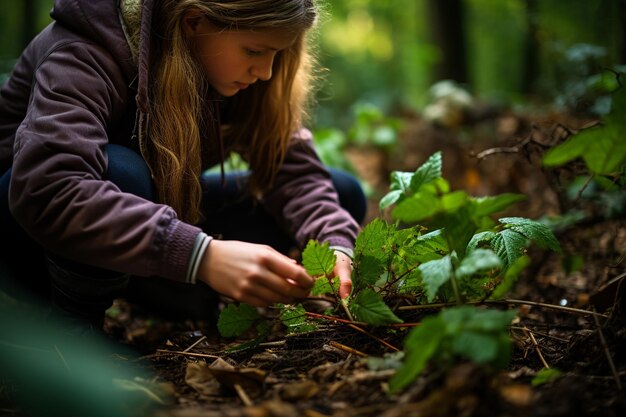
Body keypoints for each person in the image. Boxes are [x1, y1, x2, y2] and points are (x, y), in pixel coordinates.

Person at [0, 0, 366, 333]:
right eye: (255, 51)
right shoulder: (86, 51)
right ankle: (75, 333)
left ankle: (170, 294)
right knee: (122, 172)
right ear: (193, 22)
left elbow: (293, 170)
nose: (267, 72)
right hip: (33, 235)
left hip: (141, 230)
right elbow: (48, 190)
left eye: (276, 54)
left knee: (341, 193)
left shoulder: (226, 64)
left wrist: (335, 244)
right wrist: (201, 255)